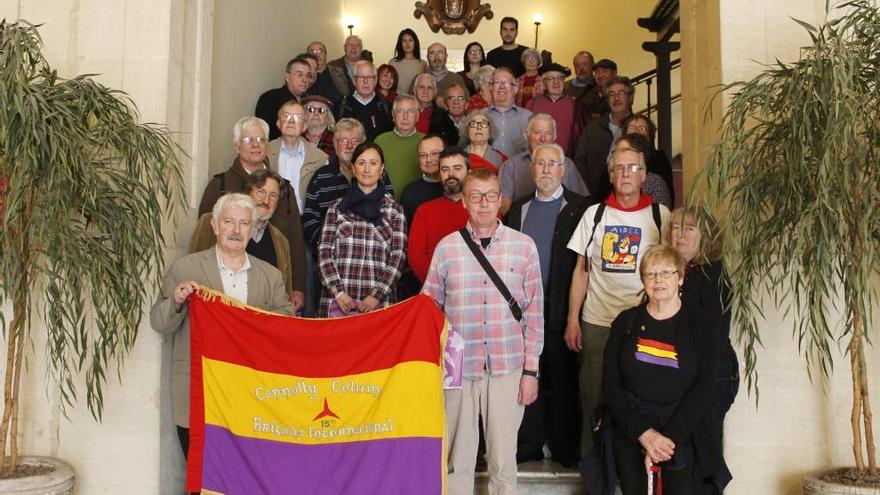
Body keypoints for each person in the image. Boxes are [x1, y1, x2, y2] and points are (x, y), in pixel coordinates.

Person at [422, 168, 544, 495]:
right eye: (475, 196)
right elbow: (428, 308)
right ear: (464, 201)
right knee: (456, 461)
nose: (484, 204)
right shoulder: (447, 249)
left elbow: (534, 314)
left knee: (504, 462)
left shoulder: (524, 247)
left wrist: (531, 370)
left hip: (508, 365)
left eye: (491, 196)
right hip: (457, 367)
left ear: (500, 199)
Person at [151, 193, 295, 460]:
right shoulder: (186, 268)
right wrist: (177, 300)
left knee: (244, 478)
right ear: (215, 226)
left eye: (244, 224)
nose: (236, 230)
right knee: (201, 478)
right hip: (199, 394)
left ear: (253, 230)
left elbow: (286, 323)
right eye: (228, 222)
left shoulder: (271, 276)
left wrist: (253, 320)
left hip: (250, 395)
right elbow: (160, 322)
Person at [565, 143, 670, 458]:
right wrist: (573, 319)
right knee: (593, 396)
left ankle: (634, 470)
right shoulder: (594, 214)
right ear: (611, 176)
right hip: (598, 321)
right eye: (619, 168)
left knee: (641, 397)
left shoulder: (659, 215)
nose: (626, 174)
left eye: (633, 168)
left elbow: (670, 269)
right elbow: (581, 271)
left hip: (644, 323)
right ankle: (594, 468)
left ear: (644, 176)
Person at [602, 245, 722, 494]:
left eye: (666, 273)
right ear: (643, 280)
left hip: (683, 434)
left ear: (680, 277)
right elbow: (610, 385)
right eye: (650, 274)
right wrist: (645, 435)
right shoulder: (626, 322)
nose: (658, 280)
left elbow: (705, 388)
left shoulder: (703, 325)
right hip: (632, 431)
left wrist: (665, 441)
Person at [505, 143, 593, 467]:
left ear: (563, 169)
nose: (545, 169)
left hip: (560, 310)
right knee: (528, 379)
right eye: (539, 163)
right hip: (523, 315)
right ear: (532, 169)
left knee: (563, 379)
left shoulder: (581, 208)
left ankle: (564, 448)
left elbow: (584, 266)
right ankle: (528, 445)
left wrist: (573, 318)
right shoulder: (517, 209)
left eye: (551, 164)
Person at [198, 116, 307, 311]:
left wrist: (297, 287)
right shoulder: (220, 185)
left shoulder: (284, 188)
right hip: (224, 289)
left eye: (261, 140)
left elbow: (295, 240)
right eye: (249, 140)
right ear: (237, 146)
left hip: (271, 288)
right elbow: (202, 241)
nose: (256, 145)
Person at [666, 207, 738, 493]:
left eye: (689, 228)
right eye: (674, 227)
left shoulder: (713, 274)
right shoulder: (668, 271)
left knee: (705, 450)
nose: (679, 234)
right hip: (678, 372)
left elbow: (714, 339)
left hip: (711, 372)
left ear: (705, 236)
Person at [317, 143, 406, 316]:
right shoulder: (336, 208)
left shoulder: (395, 210)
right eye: (361, 163)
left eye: (373, 163)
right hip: (339, 302)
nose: (367, 169)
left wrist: (376, 296)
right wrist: (339, 293)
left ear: (381, 169)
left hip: (379, 304)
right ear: (353, 168)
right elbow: (324, 252)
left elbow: (398, 257)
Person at [190, 169, 294, 300]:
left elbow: (286, 292)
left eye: (273, 195)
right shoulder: (211, 222)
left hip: (262, 317)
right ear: (248, 193)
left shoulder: (281, 241)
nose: (266, 200)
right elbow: (193, 267)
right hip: (216, 311)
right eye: (261, 192)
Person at [498, 113, 588, 216]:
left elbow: (583, 202)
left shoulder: (567, 164)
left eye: (548, 133)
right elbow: (503, 205)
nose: (543, 139)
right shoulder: (510, 166)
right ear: (526, 135)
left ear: (554, 137)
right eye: (537, 132)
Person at [407, 148, 471, 284]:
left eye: (457, 168)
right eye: (445, 169)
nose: (451, 174)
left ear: (469, 173)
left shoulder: (483, 208)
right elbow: (415, 257)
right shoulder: (425, 211)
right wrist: (437, 286)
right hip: (434, 292)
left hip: (475, 291)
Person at [573, 75, 635, 202]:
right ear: (607, 99)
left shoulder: (639, 128)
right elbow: (580, 162)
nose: (616, 98)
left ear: (630, 98)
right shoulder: (592, 129)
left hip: (631, 197)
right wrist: (590, 193)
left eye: (621, 93)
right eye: (611, 94)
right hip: (595, 198)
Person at [267, 100, 329, 216]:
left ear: (304, 126)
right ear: (278, 123)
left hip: (305, 222)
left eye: (297, 117)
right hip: (272, 220)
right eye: (286, 116)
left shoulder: (320, 158)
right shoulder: (265, 152)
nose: (291, 121)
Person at [374, 93, 423, 200]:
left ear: (417, 116)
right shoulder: (380, 141)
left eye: (410, 111)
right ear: (393, 115)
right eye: (400, 111)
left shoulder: (426, 142)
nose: (405, 117)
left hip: (418, 204)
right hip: (386, 205)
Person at [255, 57, 313, 140]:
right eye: (299, 75)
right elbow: (263, 133)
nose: (304, 80)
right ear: (287, 77)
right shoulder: (270, 98)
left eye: (308, 76)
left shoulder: (311, 101)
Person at [336, 60, 393, 142]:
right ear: (354, 80)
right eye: (361, 77)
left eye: (369, 77)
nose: (365, 81)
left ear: (375, 80)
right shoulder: (341, 107)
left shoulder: (387, 107)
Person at [527, 62, 577, 156]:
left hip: (566, 160)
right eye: (551, 78)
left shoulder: (574, 105)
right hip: (536, 159)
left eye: (560, 78)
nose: (556, 82)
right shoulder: (532, 104)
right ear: (544, 82)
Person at [624, 114, 675, 205]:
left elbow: (667, 195)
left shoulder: (659, 158)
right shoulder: (616, 158)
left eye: (642, 128)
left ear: (650, 135)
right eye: (632, 128)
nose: (636, 131)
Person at [483, 67, 532, 158]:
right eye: (497, 82)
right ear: (490, 87)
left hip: (519, 171)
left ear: (515, 89)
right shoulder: (479, 116)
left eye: (506, 83)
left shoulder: (529, 118)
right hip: (486, 171)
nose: (502, 86)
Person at [614, 134, 672, 208]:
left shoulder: (655, 183)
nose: (619, 155)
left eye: (625, 150)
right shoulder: (614, 177)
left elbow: (662, 216)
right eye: (616, 151)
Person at [399, 133, 444, 225]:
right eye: (423, 155)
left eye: (434, 153)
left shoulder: (455, 187)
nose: (428, 159)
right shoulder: (409, 192)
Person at [411, 73, 459, 147]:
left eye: (429, 88)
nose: (425, 91)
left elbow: (453, 139)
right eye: (421, 87)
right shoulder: (404, 111)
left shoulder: (442, 114)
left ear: (435, 92)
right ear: (414, 90)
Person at [573, 58, 618, 132]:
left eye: (605, 71)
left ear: (614, 73)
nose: (600, 75)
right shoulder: (588, 94)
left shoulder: (621, 93)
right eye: (597, 72)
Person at [388, 28, 428, 94]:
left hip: (415, 101)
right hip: (395, 100)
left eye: (410, 40)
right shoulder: (393, 62)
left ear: (415, 43)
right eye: (404, 41)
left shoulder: (422, 64)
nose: (407, 43)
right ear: (400, 44)